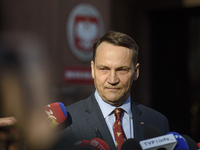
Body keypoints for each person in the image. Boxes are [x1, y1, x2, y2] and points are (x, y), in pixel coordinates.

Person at [56, 31, 170, 150]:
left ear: (136, 72)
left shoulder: (157, 122)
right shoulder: (68, 123)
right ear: (92, 69)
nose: (112, 79)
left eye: (121, 70)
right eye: (104, 69)